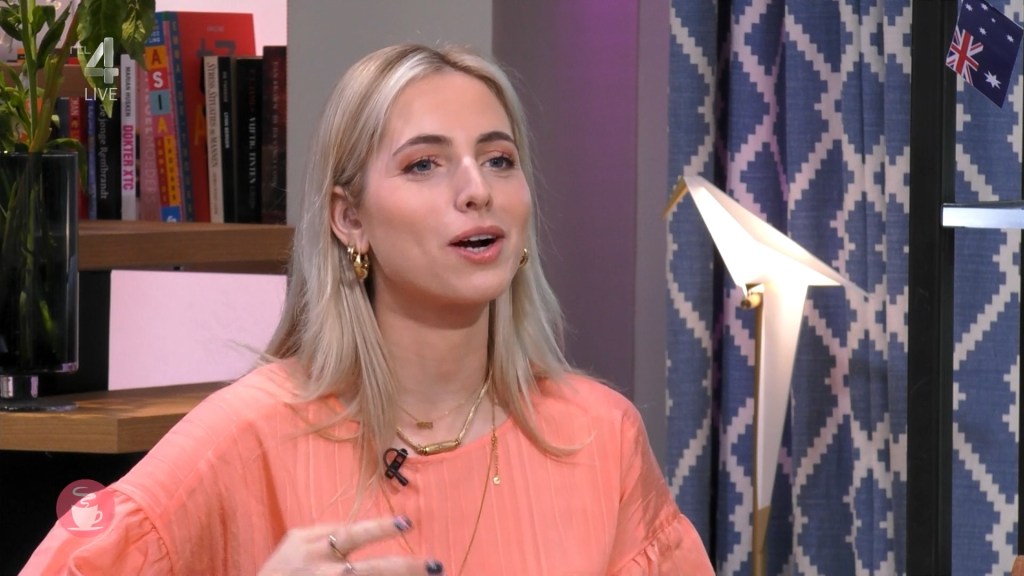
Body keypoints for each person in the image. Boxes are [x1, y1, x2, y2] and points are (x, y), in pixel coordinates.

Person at [22, 43, 715, 575]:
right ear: (349, 218)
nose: (477, 190)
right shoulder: (247, 434)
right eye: (424, 164)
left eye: (499, 160)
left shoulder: (600, 437)